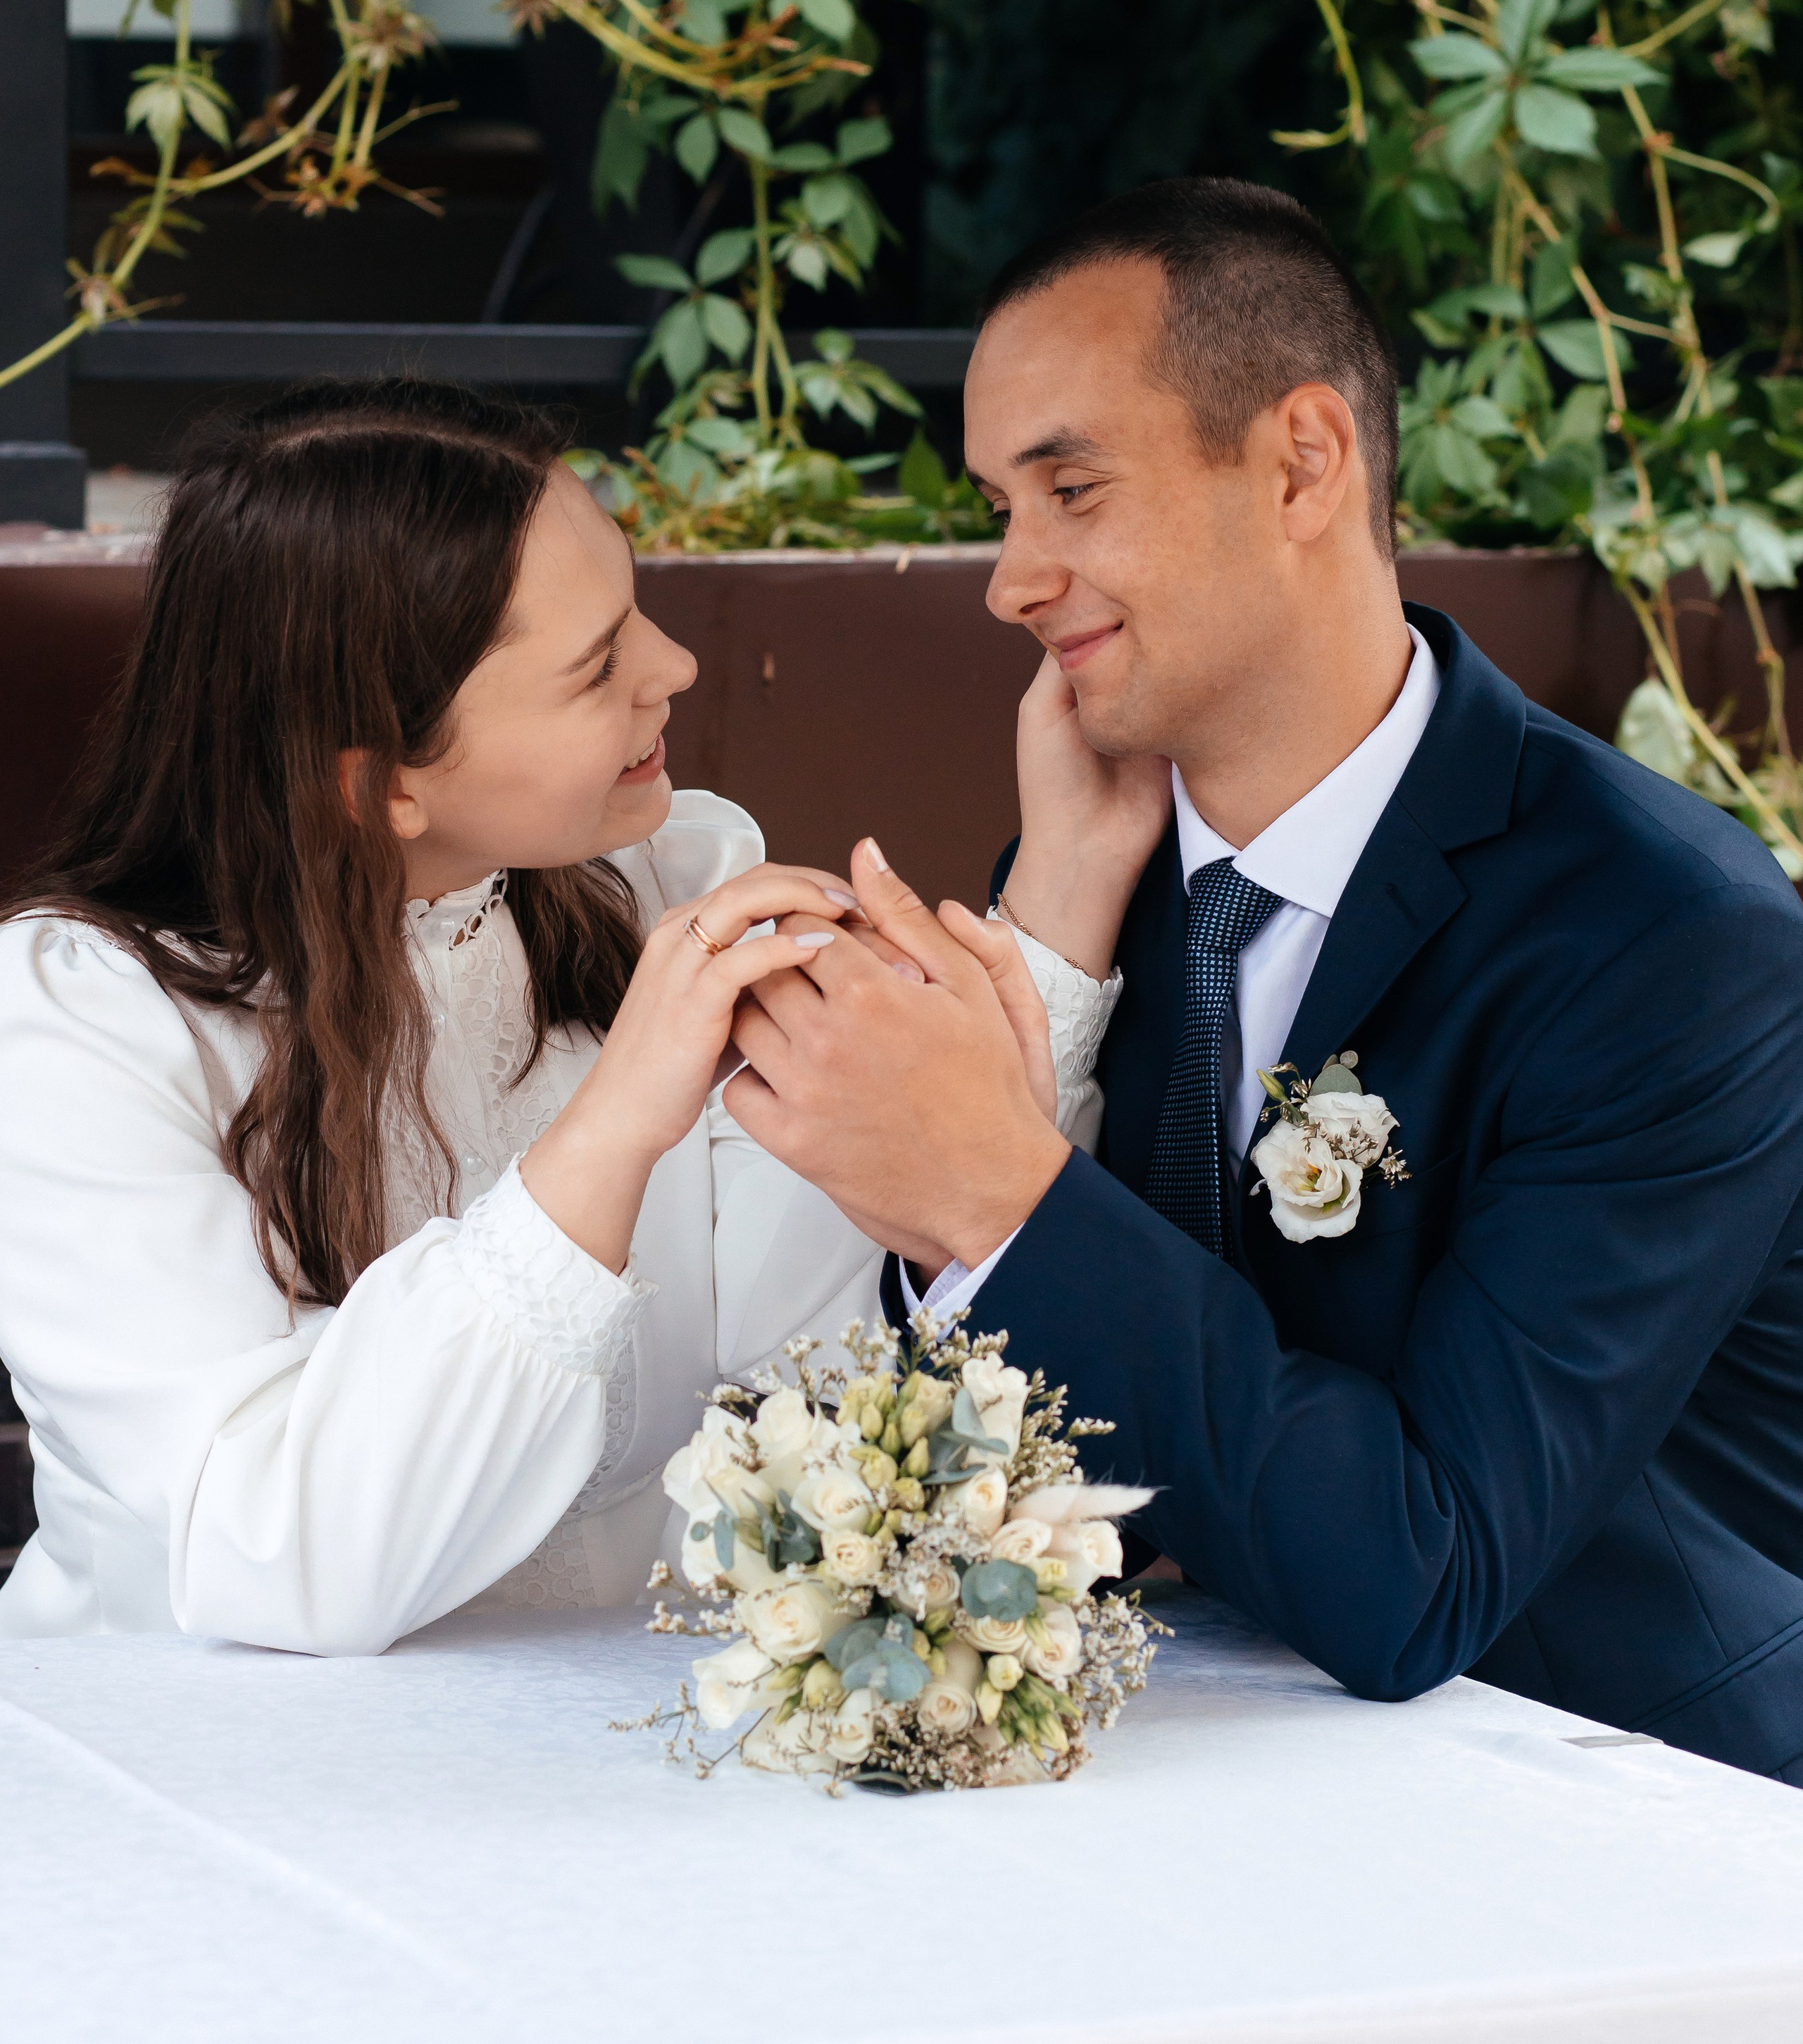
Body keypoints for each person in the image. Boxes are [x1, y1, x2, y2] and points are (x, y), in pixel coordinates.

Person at [720, 176, 1803, 1783]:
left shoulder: (1666, 940)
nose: (1011, 580)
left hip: (1626, 1810)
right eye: (1001, 509)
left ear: (1301, 459)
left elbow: (1421, 1562)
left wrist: (1009, 1199)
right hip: (1203, 1778)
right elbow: (979, 1444)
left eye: (1068, 490)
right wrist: (1055, 939)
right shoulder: (1101, 859)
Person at [0, 382, 1085, 1656]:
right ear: (383, 782)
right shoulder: (80, 1027)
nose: (673, 670)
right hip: (199, 1776)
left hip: (621, 1761)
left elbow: (825, 1382)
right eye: (597, 666)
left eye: (637, 615)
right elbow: (282, 1552)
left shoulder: (676, 881)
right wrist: (613, 1126)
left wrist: (1046, 917)